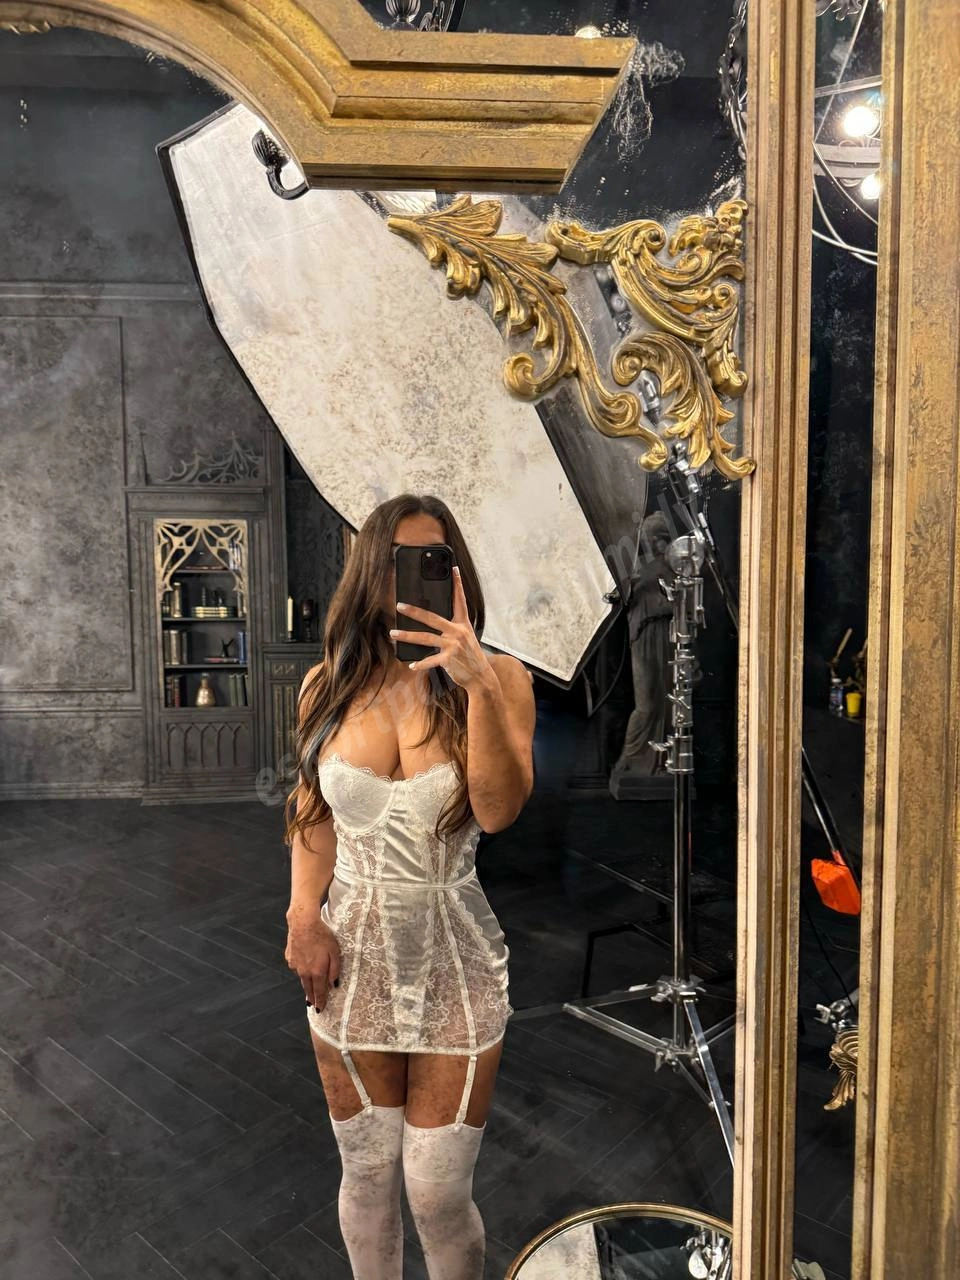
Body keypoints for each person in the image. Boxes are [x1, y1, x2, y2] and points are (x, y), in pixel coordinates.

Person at [283, 493, 536, 1280]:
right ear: (369, 573)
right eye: (397, 565)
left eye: (432, 562)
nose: (410, 583)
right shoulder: (326, 686)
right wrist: (301, 915)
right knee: (365, 1174)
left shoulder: (501, 679)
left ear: (457, 574)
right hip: (350, 958)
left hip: (455, 961)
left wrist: (476, 688)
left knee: (435, 1191)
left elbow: (497, 811)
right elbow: (311, 811)